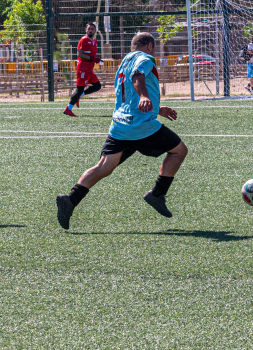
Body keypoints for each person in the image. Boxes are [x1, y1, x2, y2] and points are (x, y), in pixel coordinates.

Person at [56, 32, 189, 230]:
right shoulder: (144, 58)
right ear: (150, 45)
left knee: (104, 167)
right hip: (141, 126)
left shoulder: (124, 61)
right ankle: (157, 194)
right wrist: (144, 96)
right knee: (179, 150)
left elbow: (128, 91)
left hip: (120, 124)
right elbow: (137, 77)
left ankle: (70, 199)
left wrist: (157, 109)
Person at [64, 22, 102, 117]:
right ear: (86, 30)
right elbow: (80, 54)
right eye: (89, 29)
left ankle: (79, 97)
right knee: (79, 89)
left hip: (89, 69)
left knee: (97, 86)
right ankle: (68, 109)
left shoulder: (95, 41)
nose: (90, 30)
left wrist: (96, 60)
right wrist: (93, 59)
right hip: (83, 69)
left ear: (95, 31)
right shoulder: (83, 40)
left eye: (92, 29)